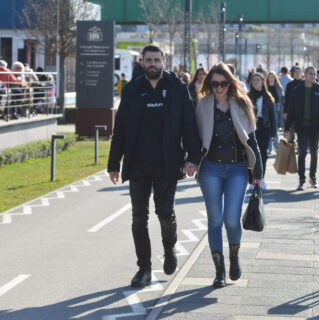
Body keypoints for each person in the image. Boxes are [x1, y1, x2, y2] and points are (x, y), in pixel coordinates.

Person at [107, 44, 202, 288]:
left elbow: (189, 125)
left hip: (167, 163)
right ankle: (144, 269)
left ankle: (169, 250)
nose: (152, 64)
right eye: (148, 60)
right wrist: (113, 163)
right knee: (139, 217)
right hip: (138, 163)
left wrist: (193, 157)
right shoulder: (132, 90)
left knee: (164, 213)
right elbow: (121, 129)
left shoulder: (177, 88)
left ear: (164, 62)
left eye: (156, 60)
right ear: (142, 62)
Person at [195, 63, 263, 288]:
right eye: (214, 83)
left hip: (237, 169)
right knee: (214, 220)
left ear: (230, 82)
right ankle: (219, 270)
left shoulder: (242, 104)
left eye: (223, 83)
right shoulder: (203, 105)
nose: (219, 87)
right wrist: (190, 160)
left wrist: (258, 172)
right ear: (209, 84)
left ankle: (234, 255)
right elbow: (194, 138)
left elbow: (252, 140)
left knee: (231, 219)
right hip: (210, 169)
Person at [284, 66, 319, 190]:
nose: (313, 76)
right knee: (302, 153)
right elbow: (291, 110)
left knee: (314, 153)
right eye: (310, 74)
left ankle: (313, 178)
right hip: (301, 127)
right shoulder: (297, 90)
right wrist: (287, 128)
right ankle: (301, 180)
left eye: (314, 74)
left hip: (315, 127)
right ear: (305, 74)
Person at [248, 72, 276, 190]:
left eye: (258, 80)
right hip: (251, 128)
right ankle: (251, 180)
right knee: (251, 154)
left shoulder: (267, 97)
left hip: (264, 127)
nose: (256, 82)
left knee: (263, 154)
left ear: (262, 82)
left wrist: (273, 133)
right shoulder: (248, 96)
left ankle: (261, 178)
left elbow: (272, 116)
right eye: (254, 80)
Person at [283, 66, 304, 144]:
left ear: (302, 73)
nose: (297, 74)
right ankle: (291, 147)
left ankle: (300, 148)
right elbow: (287, 99)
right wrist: (285, 111)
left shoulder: (305, 84)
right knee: (291, 132)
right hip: (291, 111)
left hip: (302, 112)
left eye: (299, 72)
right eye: (295, 72)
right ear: (293, 74)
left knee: (301, 133)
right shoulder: (290, 85)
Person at [266, 71, 284, 152]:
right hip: (267, 108)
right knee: (268, 128)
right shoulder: (265, 87)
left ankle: (276, 146)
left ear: (275, 78)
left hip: (276, 108)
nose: (271, 78)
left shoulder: (278, 87)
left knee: (275, 128)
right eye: (269, 77)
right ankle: (269, 148)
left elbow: (281, 98)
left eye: (272, 77)